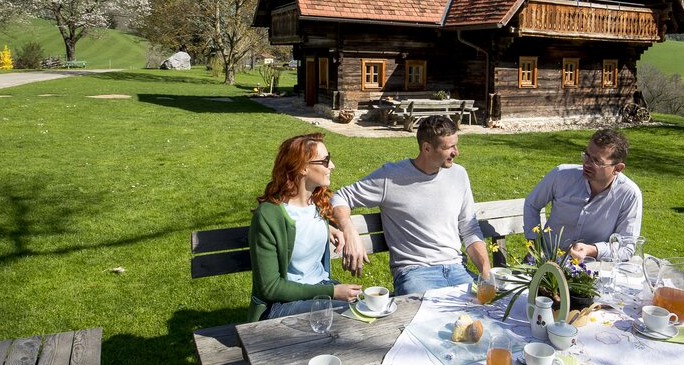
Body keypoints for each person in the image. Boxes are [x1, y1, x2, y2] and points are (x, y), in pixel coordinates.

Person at [331, 115, 491, 295]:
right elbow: (340, 197)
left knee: (485, 315)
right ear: (427, 148)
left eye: (456, 144)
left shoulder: (459, 175)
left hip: (457, 269)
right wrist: (350, 231)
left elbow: (469, 229)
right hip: (416, 274)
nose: (457, 152)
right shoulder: (391, 177)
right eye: (449, 147)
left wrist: (486, 271)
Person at [247, 133, 361, 321]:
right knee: (349, 316)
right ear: (302, 168)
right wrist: (332, 291)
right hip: (281, 305)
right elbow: (270, 288)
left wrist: (328, 229)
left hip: (320, 288)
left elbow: (302, 230)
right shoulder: (268, 216)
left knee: (368, 308)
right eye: (325, 161)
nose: (332, 166)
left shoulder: (314, 204)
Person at [523, 128, 642, 262]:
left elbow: (626, 248)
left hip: (589, 270)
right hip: (545, 260)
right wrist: (534, 244)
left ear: (618, 168)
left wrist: (591, 250)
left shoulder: (629, 194)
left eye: (597, 161)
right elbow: (532, 204)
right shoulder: (561, 175)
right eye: (586, 155)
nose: (587, 163)